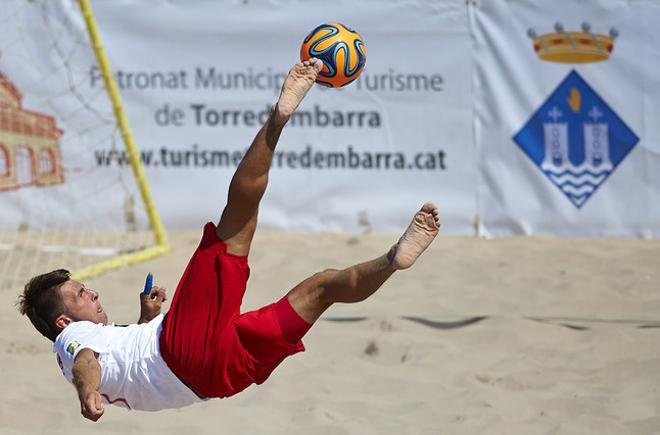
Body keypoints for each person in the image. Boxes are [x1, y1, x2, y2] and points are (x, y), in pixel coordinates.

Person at [17, 59, 440, 421]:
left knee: (322, 287)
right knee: (236, 223)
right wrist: (85, 393)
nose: (90, 290)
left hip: (217, 379)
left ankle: (392, 259)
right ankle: (278, 119)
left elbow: (129, 369)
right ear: (63, 321)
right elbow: (86, 365)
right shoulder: (71, 342)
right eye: (78, 293)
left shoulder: (103, 341)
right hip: (180, 351)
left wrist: (146, 318)